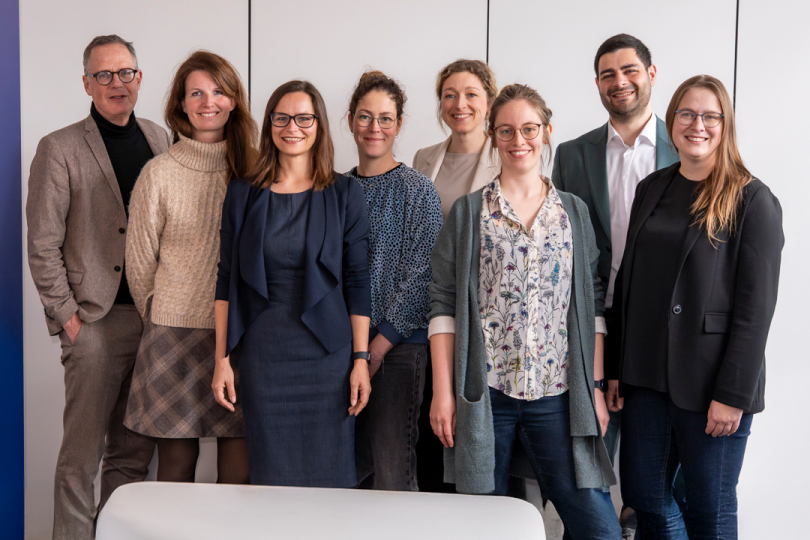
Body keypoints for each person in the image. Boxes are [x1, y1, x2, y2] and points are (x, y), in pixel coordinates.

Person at [428, 83, 621, 539]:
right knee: (483, 527)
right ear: (494, 135)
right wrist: (443, 393)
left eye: (530, 128)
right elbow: (443, 303)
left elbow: (590, 303)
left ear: (547, 131)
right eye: (507, 130)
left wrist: (592, 387)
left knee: (600, 529)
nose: (520, 140)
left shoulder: (573, 212)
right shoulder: (469, 213)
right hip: (485, 397)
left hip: (557, 397)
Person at [605, 75, 783, 539]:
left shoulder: (752, 199)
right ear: (672, 122)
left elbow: (755, 311)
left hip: (711, 388)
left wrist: (733, 395)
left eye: (709, 116)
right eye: (686, 114)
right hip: (645, 381)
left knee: (710, 509)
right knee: (645, 501)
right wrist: (617, 368)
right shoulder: (652, 187)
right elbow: (628, 283)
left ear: (725, 126)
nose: (696, 124)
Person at [26, 34, 170, 539]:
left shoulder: (160, 139)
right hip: (94, 324)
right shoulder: (59, 147)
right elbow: (42, 243)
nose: (116, 83)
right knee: (79, 463)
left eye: (125, 72)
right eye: (104, 74)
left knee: (131, 461)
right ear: (86, 83)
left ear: (139, 78)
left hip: (152, 327)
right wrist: (68, 318)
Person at [211, 80, 372, 488]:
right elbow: (225, 280)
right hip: (264, 355)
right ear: (269, 125)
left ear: (318, 124)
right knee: (272, 478)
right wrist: (222, 359)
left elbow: (357, 281)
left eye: (303, 118)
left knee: (331, 476)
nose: (292, 127)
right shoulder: (242, 193)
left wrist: (360, 359)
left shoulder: (344, 192)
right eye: (281, 118)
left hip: (327, 357)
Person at [551, 33, 680, 535]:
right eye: (607, 74)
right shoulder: (572, 154)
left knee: (658, 471)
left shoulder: (687, 146)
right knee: (587, 455)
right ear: (598, 84)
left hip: (661, 329)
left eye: (629, 71)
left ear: (651, 74)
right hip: (593, 323)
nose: (619, 82)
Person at [124, 51, 257, 484]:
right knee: (176, 473)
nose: (208, 101)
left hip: (240, 336)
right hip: (171, 335)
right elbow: (140, 265)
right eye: (196, 92)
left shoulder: (257, 168)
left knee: (238, 475)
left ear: (234, 100)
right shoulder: (157, 173)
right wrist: (166, 316)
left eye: (219, 91)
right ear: (181, 104)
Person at [345, 71, 443, 490]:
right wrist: (357, 351)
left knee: (391, 471)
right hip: (346, 350)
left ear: (399, 124)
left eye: (385, 118)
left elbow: (423, 279)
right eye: (365, 117)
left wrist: (376, 348)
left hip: (399, 350)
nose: (374, 128)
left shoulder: (419, 191)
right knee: (350, 472)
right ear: (350, 121)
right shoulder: (334, 189)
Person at [412, 59, 498, 492]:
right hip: (429, 308)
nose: (458, 103)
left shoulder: (510, 153)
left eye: (470, 94)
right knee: (434, 418)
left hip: (485, 313)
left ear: (489, 102)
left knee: (482, 427)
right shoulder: (424, 158)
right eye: (449, 95)